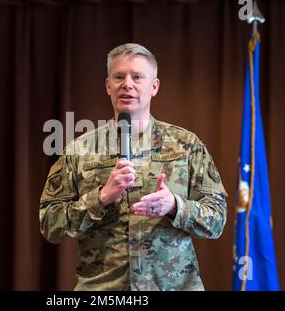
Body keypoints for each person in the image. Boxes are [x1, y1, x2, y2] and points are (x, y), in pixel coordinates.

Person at [39, 43, 227, 291]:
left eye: (137, 77)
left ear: (154, 86)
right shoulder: (80, 150)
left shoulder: (187, 145)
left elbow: (218, 219)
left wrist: (174, 206)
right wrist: (101, 198)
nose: (127, 84)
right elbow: (50, 224)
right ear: (108, 86)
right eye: (119, 77)